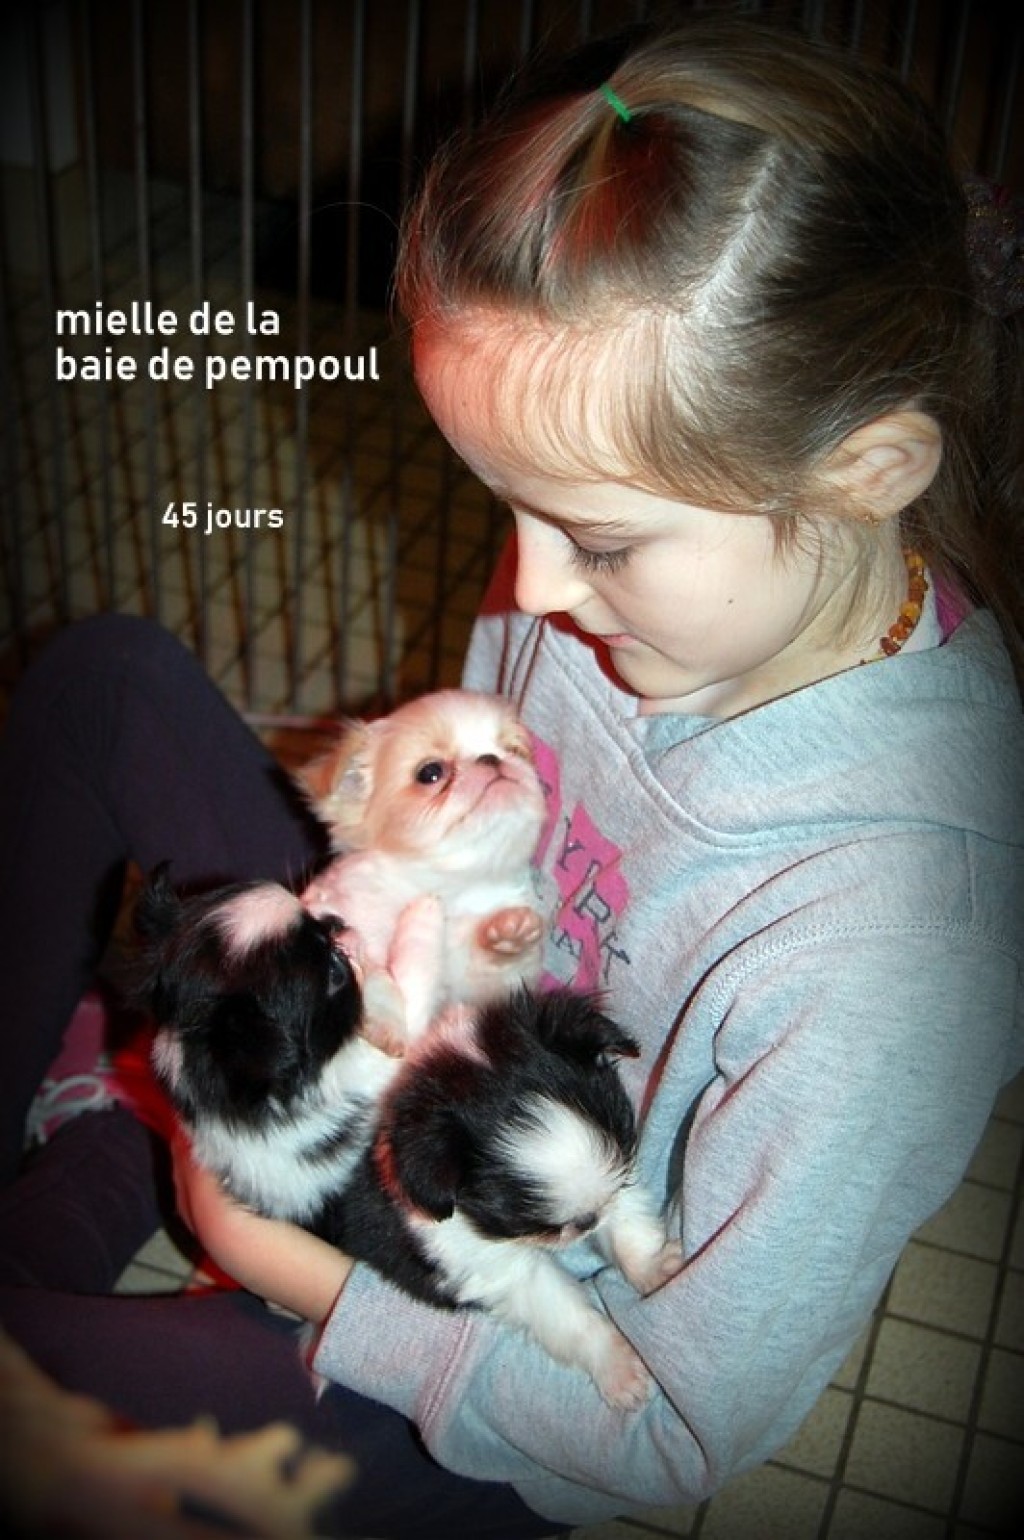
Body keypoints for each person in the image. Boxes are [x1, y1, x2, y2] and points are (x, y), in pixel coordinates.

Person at [1, 13, 1022, 1535]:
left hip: (484, 1294)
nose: (532, 588)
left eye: (595, 538)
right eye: (512, 510)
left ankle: (113, 1149)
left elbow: (671, 1431)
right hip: (382, 1026)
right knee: (108, 683)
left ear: (866, 473)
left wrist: (289, 1265)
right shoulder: (616, 580)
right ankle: (112, 1136)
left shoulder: (893, 948)